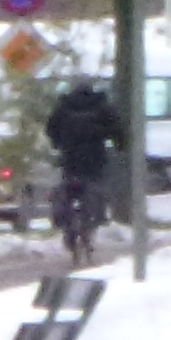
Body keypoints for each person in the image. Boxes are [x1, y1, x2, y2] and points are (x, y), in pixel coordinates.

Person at [42, 76, 122, 261]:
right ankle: (96, 217)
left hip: (70, 158)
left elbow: (50, 128)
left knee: (67, 186)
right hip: (95, 159)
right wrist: (119, 145)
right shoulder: (101, 106)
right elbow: (117, 129)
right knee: (96, 189)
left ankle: (66, 221)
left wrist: (58, 144)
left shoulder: (64, 107)